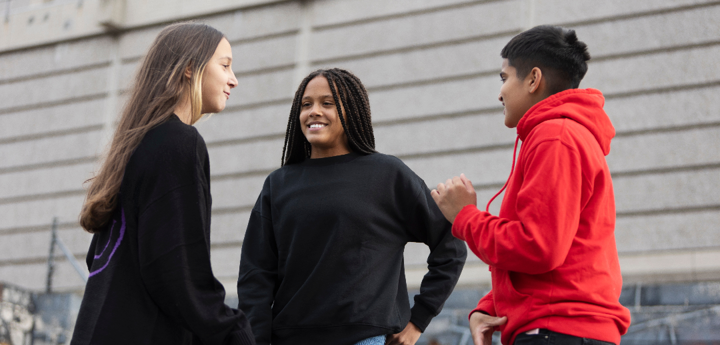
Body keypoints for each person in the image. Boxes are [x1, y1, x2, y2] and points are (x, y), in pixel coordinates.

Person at [431, 26, 632, 345]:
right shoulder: (564, 134)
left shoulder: (555, 136)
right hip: (564, 328)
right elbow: (555, 252)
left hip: (558, 330)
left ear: (533, 79)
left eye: (504, 78)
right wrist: (490, 306)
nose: (500, 93)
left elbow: (539, 246)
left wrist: (465, 216)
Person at [236, 68, 467, 345]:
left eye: (327, 103)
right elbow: (256, 275)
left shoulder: (387, 175)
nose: (314, 111)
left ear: (351, 111)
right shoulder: (278, 185)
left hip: (365, 339)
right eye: (306, 104)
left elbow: (450, 243)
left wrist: (418, 320)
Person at [71, 23, 255, 345]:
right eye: (224, 65)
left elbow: (100, 259)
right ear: (189, 68)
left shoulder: (136, 145)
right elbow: (177, 268)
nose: (233, 79)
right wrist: (235, 332)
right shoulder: (177, 143)